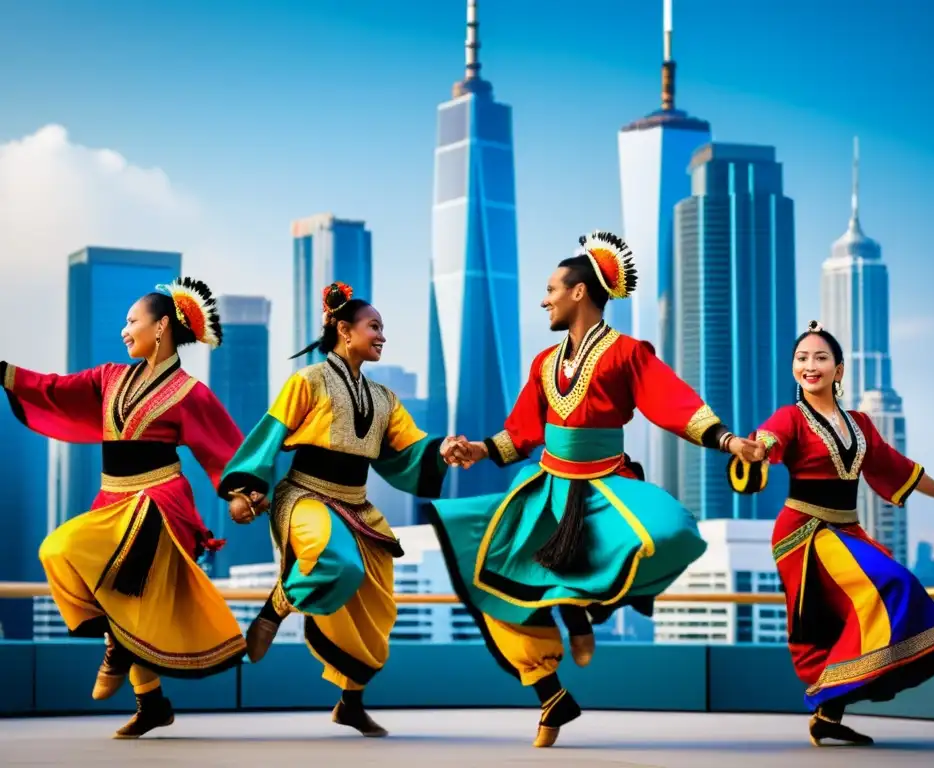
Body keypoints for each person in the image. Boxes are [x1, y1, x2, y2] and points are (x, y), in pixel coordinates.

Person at [433, 231, 766, 748]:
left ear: (579, 293)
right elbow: (522, 429)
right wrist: (476, 450)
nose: (544, 299)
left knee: (669, 530)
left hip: (604, 484)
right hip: (545, 488)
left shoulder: (627, 353)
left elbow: (669, 401)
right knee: (493, 584)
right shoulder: (544, 363)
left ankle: (587, 610)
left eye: (551, 289)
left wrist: (727, 440)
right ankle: (549, 690)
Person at [1, 277, 248, 738]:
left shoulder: (191, 393)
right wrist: (5, 371)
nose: (124, 329)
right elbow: (54, 388)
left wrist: (239, 493)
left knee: (103, 566)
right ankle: (151, 702)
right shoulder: (108, 378)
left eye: (133, 320)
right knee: (67, 558)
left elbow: (223, 447)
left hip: (158, 501)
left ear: (162, 328)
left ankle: (118, 653)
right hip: (112, 497)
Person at [727, 320, 934, 747]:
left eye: (820, 358)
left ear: (839, 370)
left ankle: (828, 715)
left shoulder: (860, 423)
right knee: (889, 584)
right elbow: (768, 441)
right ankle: (829, 696)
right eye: (802, 358)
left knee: (853, 614)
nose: (810, 366)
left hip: (846, 531)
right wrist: (754, 450)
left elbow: (901, 470)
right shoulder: (790, 417)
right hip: (805, 533)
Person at [217, 281, 455, 738]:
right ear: (344, 330)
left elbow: (410, 449)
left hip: (358, 506)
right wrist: (246, 490)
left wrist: (444, 449)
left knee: (377, 607)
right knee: (336, 560)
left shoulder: (384, 398)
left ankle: (350, 702)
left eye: (383, 328)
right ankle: (275, 608)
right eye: (374, 326)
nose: (382, 335)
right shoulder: (307, 381)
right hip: (305, 495)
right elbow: (269, 435)